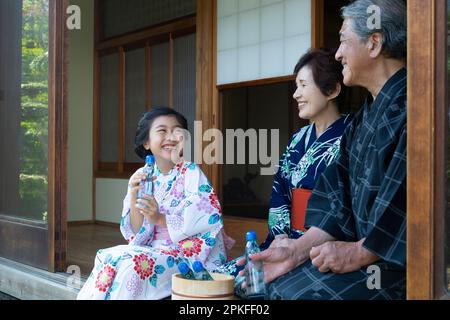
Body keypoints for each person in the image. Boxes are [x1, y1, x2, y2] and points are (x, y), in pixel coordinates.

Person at [238, 0, 407, 300]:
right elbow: (335, 196)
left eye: (343, 40)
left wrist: (360, 251)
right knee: (265, 288)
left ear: (374, 43)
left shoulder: (413, 111)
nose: (338, 52)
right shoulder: (362, 121)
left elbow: (407, 204)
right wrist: (295, 249)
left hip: (393, 263)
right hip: (339, 245)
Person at [215, 48, 353, 289]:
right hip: (285, 240)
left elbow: (347, 201)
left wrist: (299, 246)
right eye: (295, 86)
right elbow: (280, 190)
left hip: (325, 246)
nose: (295, 94)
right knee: (225, 277)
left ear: (332, 90)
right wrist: (280, 236)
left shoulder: (354, 134)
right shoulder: (299, 138)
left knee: (267, 289)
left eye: (302, 85)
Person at [77, 107, 234, 300]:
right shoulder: (143, 176)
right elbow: (136, 233)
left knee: (131, 265)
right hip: (155, 249)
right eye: (162, 131)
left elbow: (206, 216)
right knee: (107, 257)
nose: (171, 137)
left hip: (190, 255)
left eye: (177, 131)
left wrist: (159, 219)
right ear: (146, 142)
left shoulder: (191, 172)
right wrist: (134, 196)